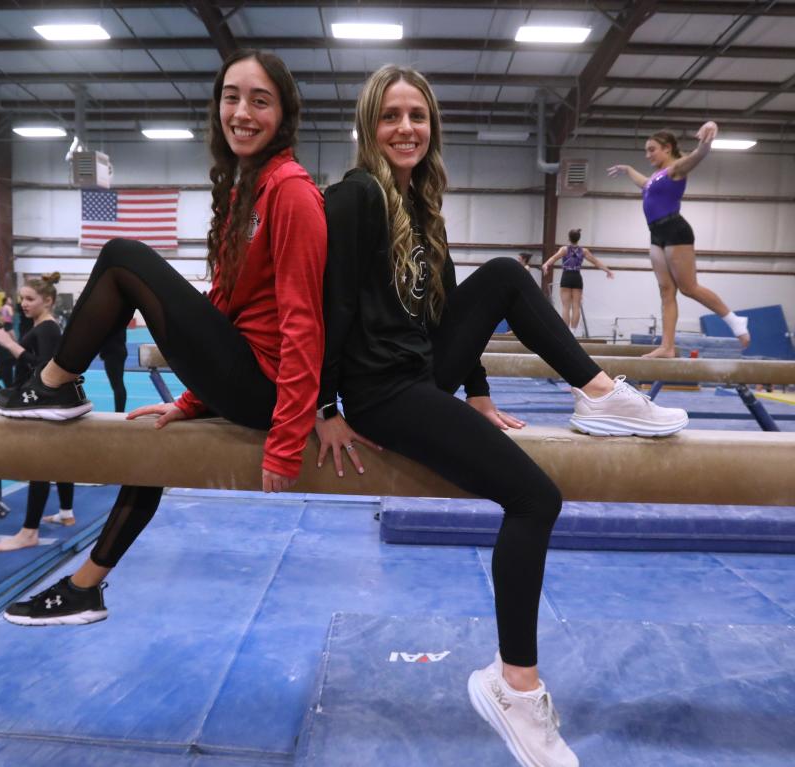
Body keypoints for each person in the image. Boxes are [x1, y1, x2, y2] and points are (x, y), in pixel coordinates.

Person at [312, 66, 689, 767]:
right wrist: (325, 406)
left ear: (432, 126)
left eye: (417, 115)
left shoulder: (421, 200)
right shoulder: (357, 195)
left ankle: (601, 393)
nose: (405, 128)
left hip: (420, 370)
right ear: (369, 125)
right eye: (391, 115)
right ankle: (513, 686)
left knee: (508, 275)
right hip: (380, 391)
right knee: (535, 497)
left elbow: (449, 306)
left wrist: (476, 390)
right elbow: (330, 303)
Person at [0, 49, 326, 625]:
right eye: (231, 97)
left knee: (123, 257)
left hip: (266, 389)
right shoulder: (243, 192)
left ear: (284, 114)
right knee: (152, 445)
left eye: (260, 100)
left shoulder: (291, 192)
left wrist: (289, 434)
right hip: (242, 373)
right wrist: (193, 401)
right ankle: (84, 587)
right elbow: (227, 310)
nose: (241, 112)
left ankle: (54, 384)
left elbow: (304, 322)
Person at [608, 123, 750, 358]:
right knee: (666, 291)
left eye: (652, 149)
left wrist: (708, 134)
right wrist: (627, 169)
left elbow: (700, 154)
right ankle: (667, 347)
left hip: (675, 230)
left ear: (667, 148)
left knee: (688, 288)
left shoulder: (676, 169)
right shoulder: (655, 177)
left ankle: (735, 321)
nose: (648, 154)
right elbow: (644, 184)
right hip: (656, 234)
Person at [0, 273, 79, 548]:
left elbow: (44, 368)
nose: (24, 304)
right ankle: (65, 513)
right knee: (57, 460)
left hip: (40, 401)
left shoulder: (48, 328)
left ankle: (29, 532)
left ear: (48, 300)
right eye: (22, 299)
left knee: (39, 465)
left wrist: (11, 344)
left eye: (30, 299)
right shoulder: (42, 325)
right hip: (40, 400)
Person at [541, 229, 614, 337]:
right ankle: (573, 332)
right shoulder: (584, 251)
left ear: (569, 238)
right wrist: (608, 270)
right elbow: (596, 262)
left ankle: (565, 332)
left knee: (566, 307)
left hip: (566, 276)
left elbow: (553, 258)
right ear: (578, 238)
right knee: (576, 306)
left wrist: (546, 265)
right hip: (576, 277)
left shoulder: (564, 249)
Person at [99, 325, 128, 412]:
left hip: (112, 353)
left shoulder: (109, 319)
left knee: (117, 385)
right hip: (120, 350)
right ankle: (120, 411)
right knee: (119, 384)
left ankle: (119, 412)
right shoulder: (120, 317)